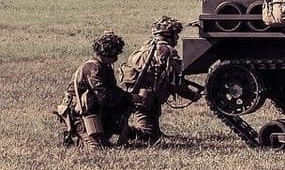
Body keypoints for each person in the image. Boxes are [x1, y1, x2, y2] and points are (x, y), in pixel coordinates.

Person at [123, 16, 201, 145]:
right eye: (176, 35)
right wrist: (192, 95)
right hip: (145, 100)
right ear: (170, 36)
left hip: (144, 97)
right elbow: (176, 82)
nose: (177, 38)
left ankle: (153, 131)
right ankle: (118, 129)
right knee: (148, 137)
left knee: (154, 132)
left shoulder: (147, 47)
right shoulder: (168, 52)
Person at [56, 31, 134, 149]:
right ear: (106, 53)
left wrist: (127, 98)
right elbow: (104, 97)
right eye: (113, 55)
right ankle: (74, 137)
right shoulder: (93, 68)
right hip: (80, 113)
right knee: (96, 148)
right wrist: (128, 97)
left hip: (94, 109)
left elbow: (113, 91)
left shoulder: (104, 67)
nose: (115, 59)